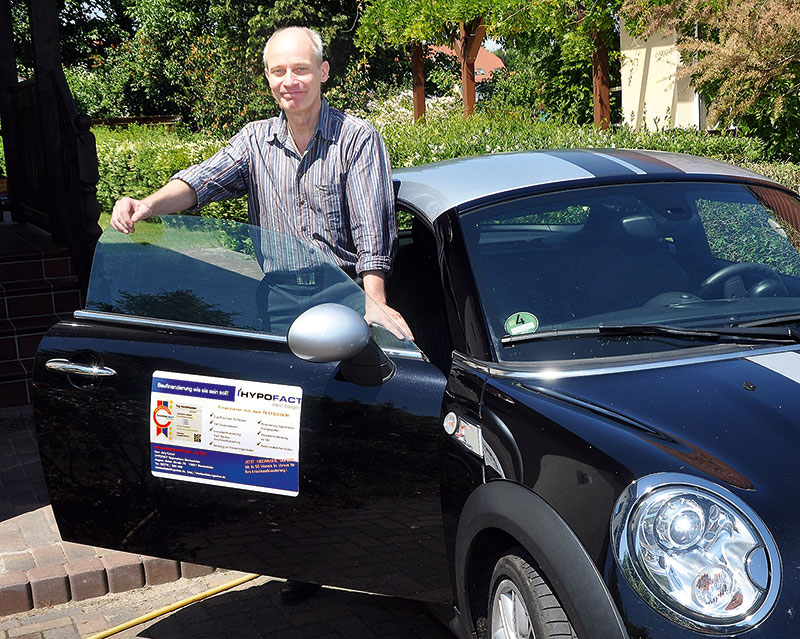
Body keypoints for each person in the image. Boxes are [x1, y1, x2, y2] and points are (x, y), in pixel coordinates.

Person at [110, 26, 412, 341]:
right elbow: (203, 180)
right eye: (279, 71)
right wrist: (146, 204)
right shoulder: (255, 140)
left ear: (323, 72)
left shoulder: (357, 138)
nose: (290, 81)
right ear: (268, 77)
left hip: (346, 293)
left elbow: (371, 228)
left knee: (345, 390)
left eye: (301, 69)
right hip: (278, 302)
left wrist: (375, 302)